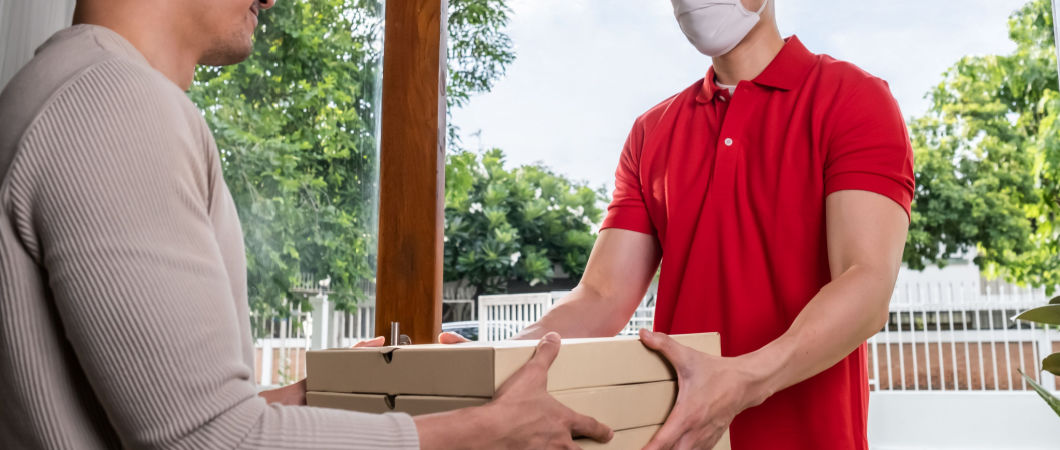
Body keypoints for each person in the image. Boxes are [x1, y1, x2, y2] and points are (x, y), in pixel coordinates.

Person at [0, 0, 613, 449]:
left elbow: (161, 417)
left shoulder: (72, 87)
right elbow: (207, 440)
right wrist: (487, 433)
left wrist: (327, 392)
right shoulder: (113, 103)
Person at [444, 0, 914, 448]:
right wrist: (497, 361)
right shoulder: (651, 131)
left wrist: (745, 379)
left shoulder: (852, 99)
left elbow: (867, 282)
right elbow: (602, 295)